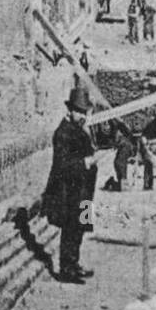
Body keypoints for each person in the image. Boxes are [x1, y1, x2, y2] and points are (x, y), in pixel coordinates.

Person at [42, 85, 97, 283]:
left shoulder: (79, 130)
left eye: (85, 112)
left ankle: (75, 263)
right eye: (79, 111)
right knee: (71, 229)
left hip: (84, 191)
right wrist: (84, 162)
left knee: (80, 227)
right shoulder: (63, 133)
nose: (83, 115)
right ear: (70, 111)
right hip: (69, 192)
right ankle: (66, 269)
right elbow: (62, 165)